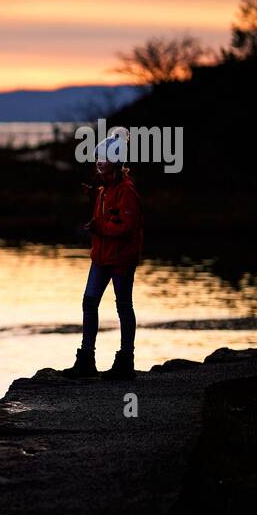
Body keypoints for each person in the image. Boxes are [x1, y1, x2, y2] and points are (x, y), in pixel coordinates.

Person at [63, 128, 143, 380]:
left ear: (116, 162)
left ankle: (125, 361)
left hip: (120, 259)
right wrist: (95, 218)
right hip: (101, 257)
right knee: (89, 302)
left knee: (123, 306)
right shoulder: (103, 189)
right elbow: (109, 219)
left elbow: (127, 226)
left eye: (104, 158)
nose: (99, 161)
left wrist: (100, 228)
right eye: (98, 156)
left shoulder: (127, 191)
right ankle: (86, 359)